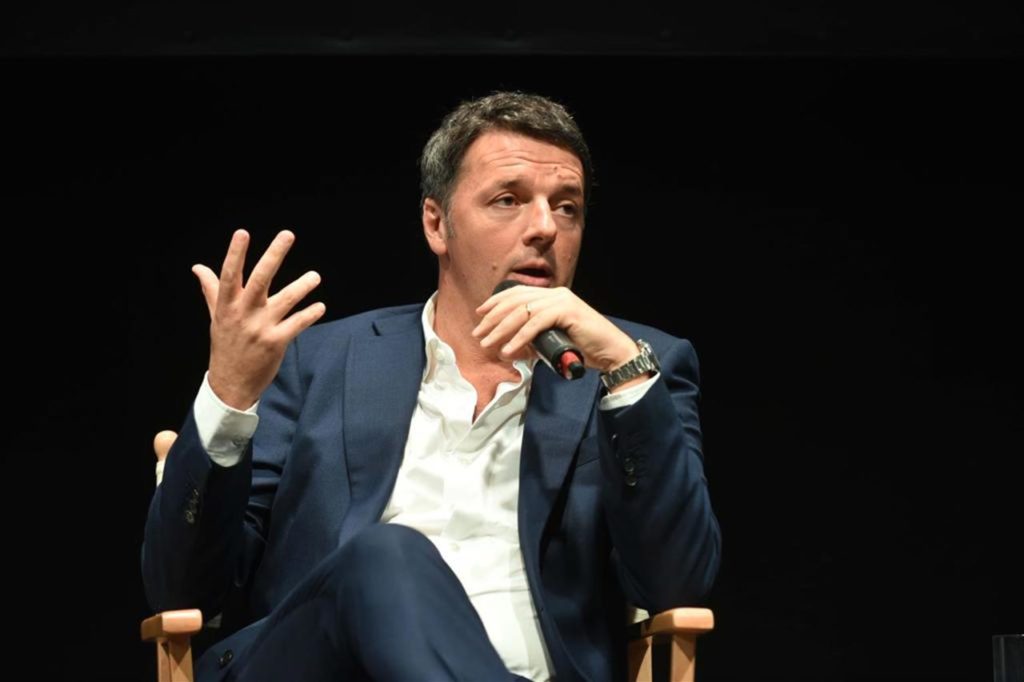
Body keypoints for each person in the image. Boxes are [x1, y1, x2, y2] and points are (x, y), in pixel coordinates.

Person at [142, 91, 720, 682]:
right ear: (437, 224)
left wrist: (624, 373)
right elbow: (183, 590)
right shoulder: (314, 362)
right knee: (386, 553)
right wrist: (228, 395)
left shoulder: (635, 367)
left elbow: (678, 583)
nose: (545, 228)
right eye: (508, 200)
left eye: (567, 207)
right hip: (315, 665)